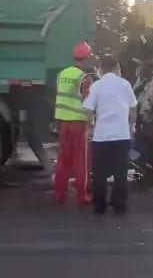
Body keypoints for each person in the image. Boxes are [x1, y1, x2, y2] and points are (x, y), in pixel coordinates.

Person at [83, 55, 138, 215]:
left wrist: (90, 128)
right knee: (120, 173)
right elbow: (134, 107)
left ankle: (99, 206)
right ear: (116, 68)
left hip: (101, 137)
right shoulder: (125, 84)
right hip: (121, 136)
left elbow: (87, 109)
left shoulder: (97, 86)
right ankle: (119, 205)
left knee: (99, 174)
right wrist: (132, 126)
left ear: (101, 68)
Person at [53, 41, 94, 207]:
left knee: (63, 161)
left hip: (63, 122)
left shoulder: (61, 74)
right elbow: (88, 104)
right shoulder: (85, 78)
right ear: (87, 58)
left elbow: (59, 96)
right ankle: (82, 196)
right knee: (80, 161)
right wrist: (90, 125)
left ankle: (59, 195)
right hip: (78, 123)